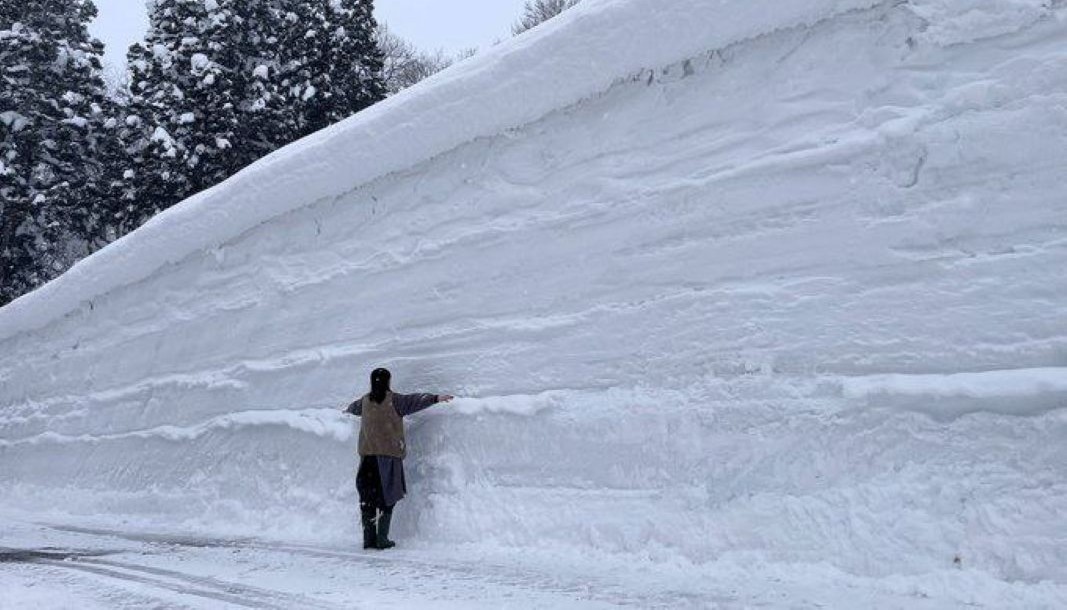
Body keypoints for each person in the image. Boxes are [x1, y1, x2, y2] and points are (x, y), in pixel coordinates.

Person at [343, 368, 453, 550]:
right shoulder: (394, 401)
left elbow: (351, 409)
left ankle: (368, 539)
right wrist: (435, 398)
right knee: (387, 497)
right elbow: (415, 401)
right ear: (388, 381)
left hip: (367, 460)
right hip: (387, 459)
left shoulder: (364, 401)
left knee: (367, 499)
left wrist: (345, 410)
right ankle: (382, 539)